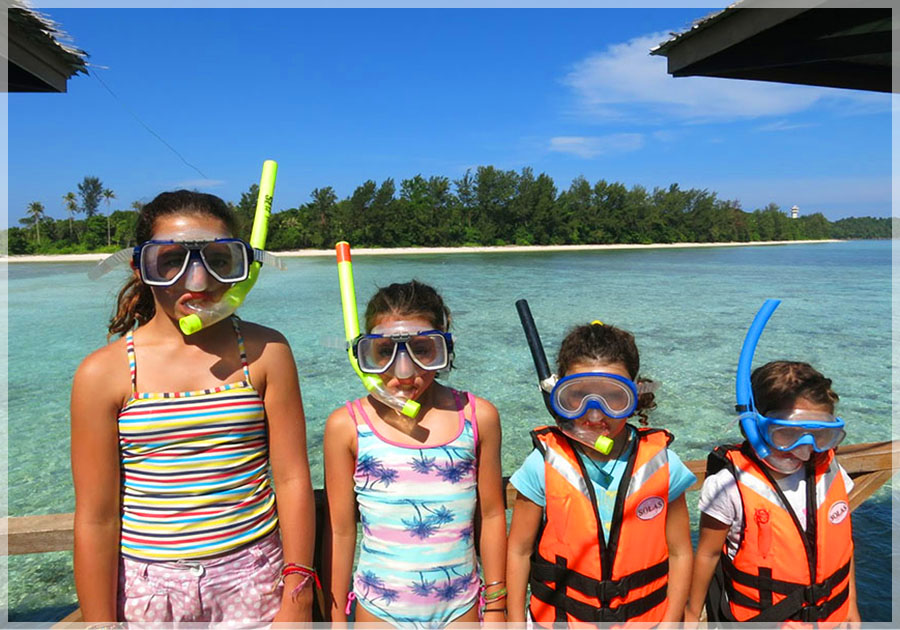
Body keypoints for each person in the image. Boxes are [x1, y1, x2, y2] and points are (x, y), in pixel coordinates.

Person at [71, 190, 316, 625]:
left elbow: (293, 477)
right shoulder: (102, 374)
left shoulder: (266, 352)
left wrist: (296, 599)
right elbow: (96, 517)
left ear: (241, 268)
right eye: (170, 261)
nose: (197, 281)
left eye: (219, 261)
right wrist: (99, 622)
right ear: (140, 267)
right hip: (148, 591)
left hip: (255, 579)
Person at [323, 280, 507, 627]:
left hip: (461, 607)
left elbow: (494, 516)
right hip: (378, 611)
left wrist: (496, 606)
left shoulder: (478, 416)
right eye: (384, 352)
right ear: (366, 355)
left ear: (444, 349)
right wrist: (335, 617)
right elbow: (341, 530)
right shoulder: (346, 426)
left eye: (423, 350)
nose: (403, 372)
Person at [506, 320, 695, 625]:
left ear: (635, 394)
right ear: (559, 396)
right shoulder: (542, 463)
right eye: (577, 395)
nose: (595, 415)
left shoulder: (663, 464)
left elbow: (681, 552)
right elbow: (518, 549)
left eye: (613, 396)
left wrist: (673, 621)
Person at [685, 360, 861, 625]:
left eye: (819, 435)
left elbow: (843, 546)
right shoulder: (730, 485)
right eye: (787, 434)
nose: (804, 449)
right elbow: (708, 554)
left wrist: (852, 607)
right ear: (754, 427)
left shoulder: (830, 471)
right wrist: (690, 613)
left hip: (832, 618)